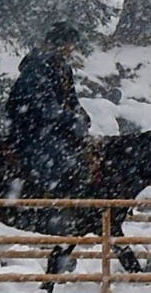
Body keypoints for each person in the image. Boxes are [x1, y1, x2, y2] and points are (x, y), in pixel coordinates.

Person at [6, 22, 92, 198]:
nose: (71, 49)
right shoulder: (38, 66)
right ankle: (48, 197)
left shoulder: (63, 67)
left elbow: (70, 99)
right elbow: (42, 105)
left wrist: (81, 115)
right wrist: (69, 119)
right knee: (56, 156)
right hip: (31, 129)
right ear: (59, 44)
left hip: (55, 127)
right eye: (69, 44)